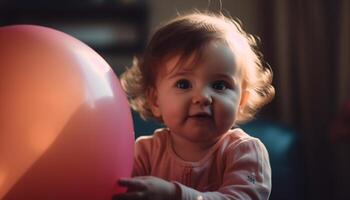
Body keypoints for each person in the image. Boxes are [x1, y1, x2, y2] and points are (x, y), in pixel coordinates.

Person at [113, 10, 275, 200]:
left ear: (241, 101)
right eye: (184, 84)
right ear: (155, 100)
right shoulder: (144, 153)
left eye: (219, 85)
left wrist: (175, 194)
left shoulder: (245, 152)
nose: (203, 97)